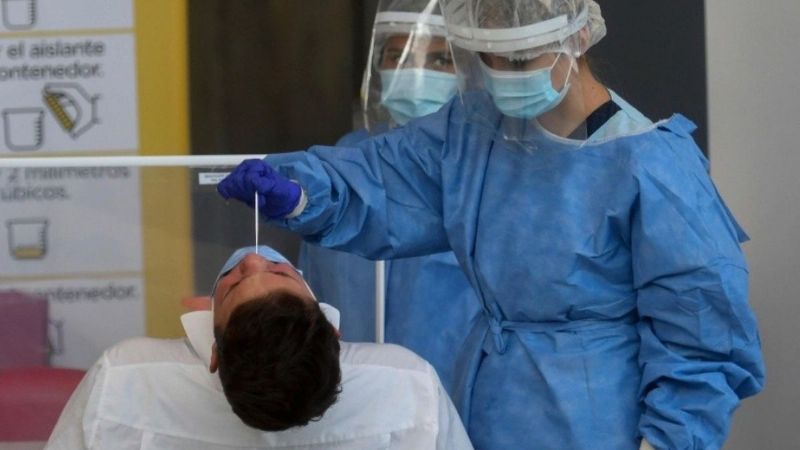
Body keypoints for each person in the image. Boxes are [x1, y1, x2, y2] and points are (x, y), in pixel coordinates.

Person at [217, 1, 766, 449]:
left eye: (520, 59)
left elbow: (704, 340)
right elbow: (384, 180)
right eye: (490, 59)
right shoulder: (474, 134)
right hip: (484, 405)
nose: (504, 76)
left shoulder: (653, 168)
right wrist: (303, 191)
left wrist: (668, 442)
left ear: (577, 37)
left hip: (598, 423)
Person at [44, 246, 473, 450]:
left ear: (215, 352)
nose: (251, 260)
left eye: (234, 286)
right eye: (280, 274)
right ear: (333, 332)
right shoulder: (406, 383)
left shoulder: (126, 376)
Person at [297, 0, 482, 395]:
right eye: (397, 56)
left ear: (469, 70)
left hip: (453, 392)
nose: (413, 73)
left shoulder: (484, 167)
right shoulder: (349, 157)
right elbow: (315, 286)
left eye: (439, 60)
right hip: (349, 387)